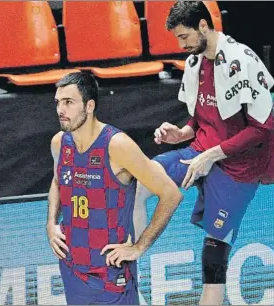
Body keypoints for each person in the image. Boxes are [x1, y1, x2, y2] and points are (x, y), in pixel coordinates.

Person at [133, 1, 274, 305]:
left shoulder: (243, 61)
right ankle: (130, 272)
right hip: (200, 151)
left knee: (214, 254)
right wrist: (183, 133)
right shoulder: (196, 63)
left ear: (203, 26)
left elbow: (261, 131)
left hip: (239, 168)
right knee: (139, 184)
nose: (181, 45)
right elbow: (202, 118)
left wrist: (211, 155)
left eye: (184, 37)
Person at [46, 72, 183, 305]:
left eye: (68, 102)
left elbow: (171, 194)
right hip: (72, 267)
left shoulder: (117, 145)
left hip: (111, 271)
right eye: (58, 102)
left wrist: (139, 247)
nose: (61, 109)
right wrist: (51, 223)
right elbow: (58, 180)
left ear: (89, 106)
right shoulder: (60, 142)